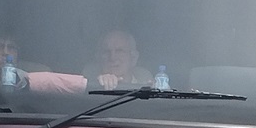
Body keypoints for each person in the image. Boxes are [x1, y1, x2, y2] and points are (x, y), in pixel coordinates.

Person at [10, 28, 153, 95]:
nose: (112, 57)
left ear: (133, 58)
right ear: (98, 58)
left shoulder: (155, 89)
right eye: (106, 52)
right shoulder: (81, 89)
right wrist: (97, 85)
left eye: (120, 51)